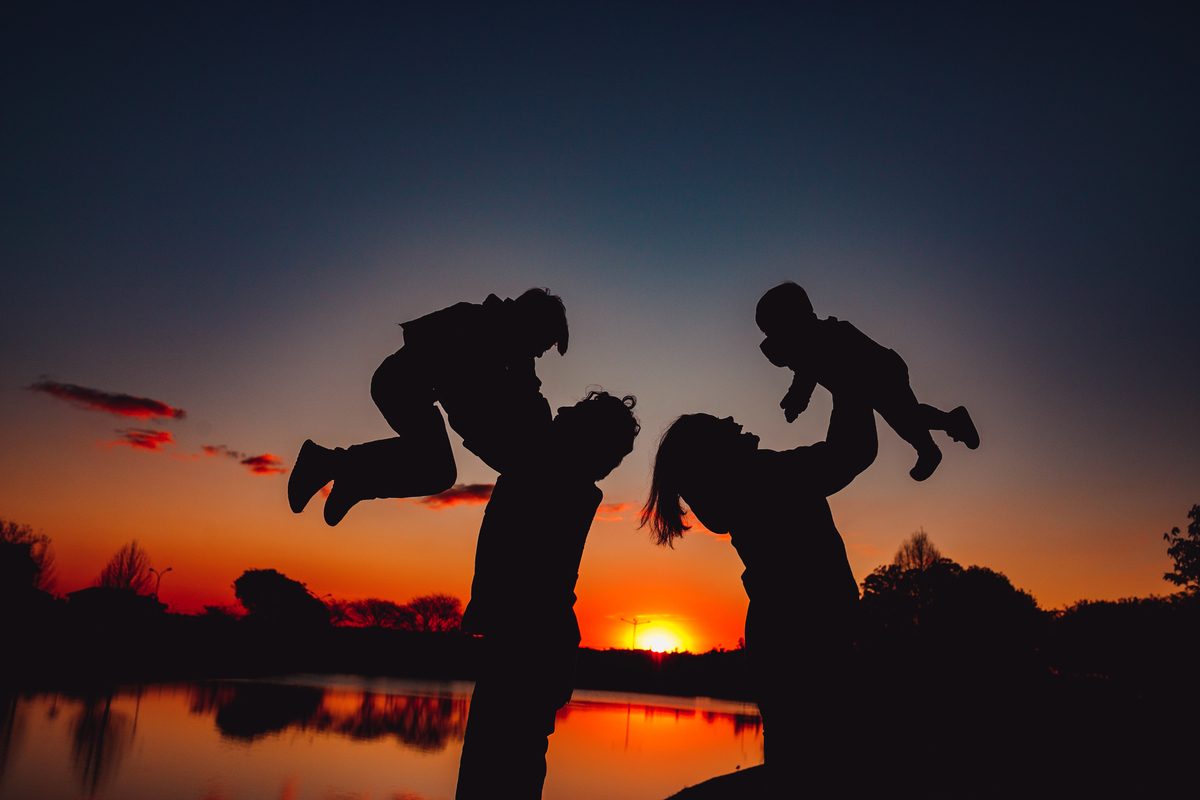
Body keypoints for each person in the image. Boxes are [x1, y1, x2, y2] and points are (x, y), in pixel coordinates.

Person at [641, 391, 877, 796]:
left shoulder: (742, 487)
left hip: (782, 636)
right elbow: (851, 453)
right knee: (818, 772)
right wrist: (850, 385)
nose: (733, 419)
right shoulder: (764, 475)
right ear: (713, 456)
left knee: (799, 767)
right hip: (806, 637)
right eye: (721, 426)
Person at [455, 390, 640, 800]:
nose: (561, 412)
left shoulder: (550, 475)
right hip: (539, 643)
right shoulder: (553, 472)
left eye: (572, 415)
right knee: (508, 769)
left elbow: (477, 426)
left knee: (496, 771)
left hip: (530, 644)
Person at [287, 288, 569, 525]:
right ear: (529, 324)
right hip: (397, 386)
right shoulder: (479, 330)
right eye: (542, 343)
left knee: (437, 470)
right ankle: (331, 465)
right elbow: (467, 410)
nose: (540, 353)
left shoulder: (500, 345)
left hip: (412, 391)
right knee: (438, 470)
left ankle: (352, 479)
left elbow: (512, 411)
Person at [756, 281, 978, 480]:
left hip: (880, 373)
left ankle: (947, 427)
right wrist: (796, 399)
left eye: (771, 331)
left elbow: (806, 374)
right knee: (904, 418)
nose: (771, 338)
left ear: (791, 321)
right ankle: (931, 445)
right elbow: (804, 374)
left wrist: (797, 400)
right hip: (857, 388)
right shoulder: (810, 345)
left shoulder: (822, 337)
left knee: (904, 417)